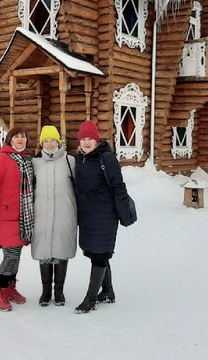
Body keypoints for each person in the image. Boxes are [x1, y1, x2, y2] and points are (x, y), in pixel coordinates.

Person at [72, 120, 137, 314]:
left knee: (99, 255)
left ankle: (90, 299)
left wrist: (123, 214)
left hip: (104, 215)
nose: (86, 142)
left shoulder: (106, 158)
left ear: (97, 140)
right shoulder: (80, 159)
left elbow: (118, 186)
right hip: (87, 215)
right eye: (83, 138)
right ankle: (108, 291)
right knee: (96, 253)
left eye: (90, 138)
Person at [0, 126, 36, 312]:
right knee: (10, 256)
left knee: (16, 256)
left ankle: (11, 288)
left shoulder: (26, 161)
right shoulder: (0, 160)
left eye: (23, 137)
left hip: (23, 217)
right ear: (9, 140)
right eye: (16, 137)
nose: (20, 140)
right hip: (5, 218)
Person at [31, 125, 77, 306]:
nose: (50, 144)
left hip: (64, 212)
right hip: (41, 213)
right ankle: (45, 291)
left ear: (59, 142)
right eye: (46, 140)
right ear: (42, 143)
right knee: (44, 252)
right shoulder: (35, 163)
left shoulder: (70, 161)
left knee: (61, 250)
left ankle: (59, 291)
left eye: (53, 140)